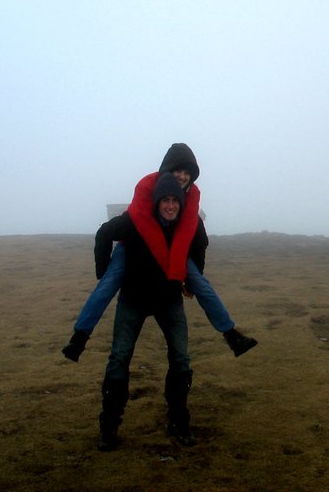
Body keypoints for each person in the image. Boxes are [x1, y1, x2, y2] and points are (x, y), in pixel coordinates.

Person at [62, 143, 257, 361]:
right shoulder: (147, 187)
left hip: (173, 249)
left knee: (201, 284)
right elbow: (117, 230)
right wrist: (103, 270)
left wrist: (191, 277)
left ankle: (232, 336)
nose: (182, 176)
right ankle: (79, 338)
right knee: (109, 282)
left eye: (187, 173)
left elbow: (197, 240)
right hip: (133, 243)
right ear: (167, 169)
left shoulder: (191, 196)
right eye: (178, 170)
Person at [95, 172, 198, 451]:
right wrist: (104, 275)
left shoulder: (185, 223)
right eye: (165, 200)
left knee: (181, 359)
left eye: (175, 201)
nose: (171, 206)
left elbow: (199, 243)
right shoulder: (134, 222)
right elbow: (104, 233)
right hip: (134, 300)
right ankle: (109, 426)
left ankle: (178, 421)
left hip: (169, 300)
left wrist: (191, 280)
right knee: (119, 358)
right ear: (156, 202)